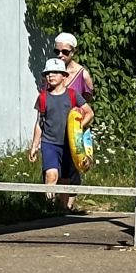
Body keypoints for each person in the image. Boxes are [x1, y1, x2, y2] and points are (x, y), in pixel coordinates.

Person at [31, 58, 93, 213]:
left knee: (65, 178)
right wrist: (34, 145)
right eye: (48, 73)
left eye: (55, 72)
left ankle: (63, 210)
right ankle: (49, 208)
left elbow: (89, 113)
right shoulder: (43, 97)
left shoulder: (73, 95)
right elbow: (40, 123)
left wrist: (79, 127)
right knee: (52, 175)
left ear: (64, 76)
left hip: (69, 144)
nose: (51, 76)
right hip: (50, 142)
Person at [53, 31, 95, 104]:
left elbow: (87, 102)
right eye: (57, 51)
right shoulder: (50, 71)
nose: (60, 55)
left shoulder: (82, 75)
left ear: (72, 52)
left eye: (65, 52)